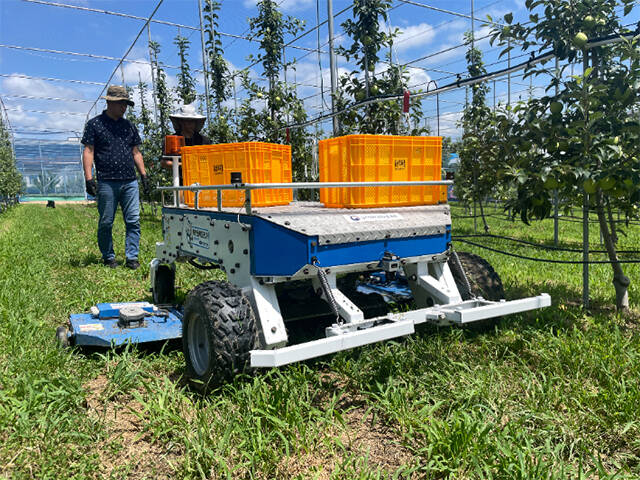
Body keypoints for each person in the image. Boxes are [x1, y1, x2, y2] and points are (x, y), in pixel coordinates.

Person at [81, 85, 150, 270]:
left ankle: (132, 257)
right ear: (110, 102)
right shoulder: (95, 124)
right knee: (106, 221)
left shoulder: (129, 126)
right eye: (121, 103)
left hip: (130, 181)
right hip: (106, 181)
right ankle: (108, 257)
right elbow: (88, 151)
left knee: (133, 220)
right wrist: (89, 178)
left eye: (126, 104)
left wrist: (143, 175)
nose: (124, 107)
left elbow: (136, 152)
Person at [160, 104, 210, 173]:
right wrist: (183, 165)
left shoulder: (204, 140)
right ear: (181, 122)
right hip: (180, 180)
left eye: (193, 121)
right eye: (188, 121)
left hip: (202, 178)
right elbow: (164, 162)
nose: (190, 124)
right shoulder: (172, 141)